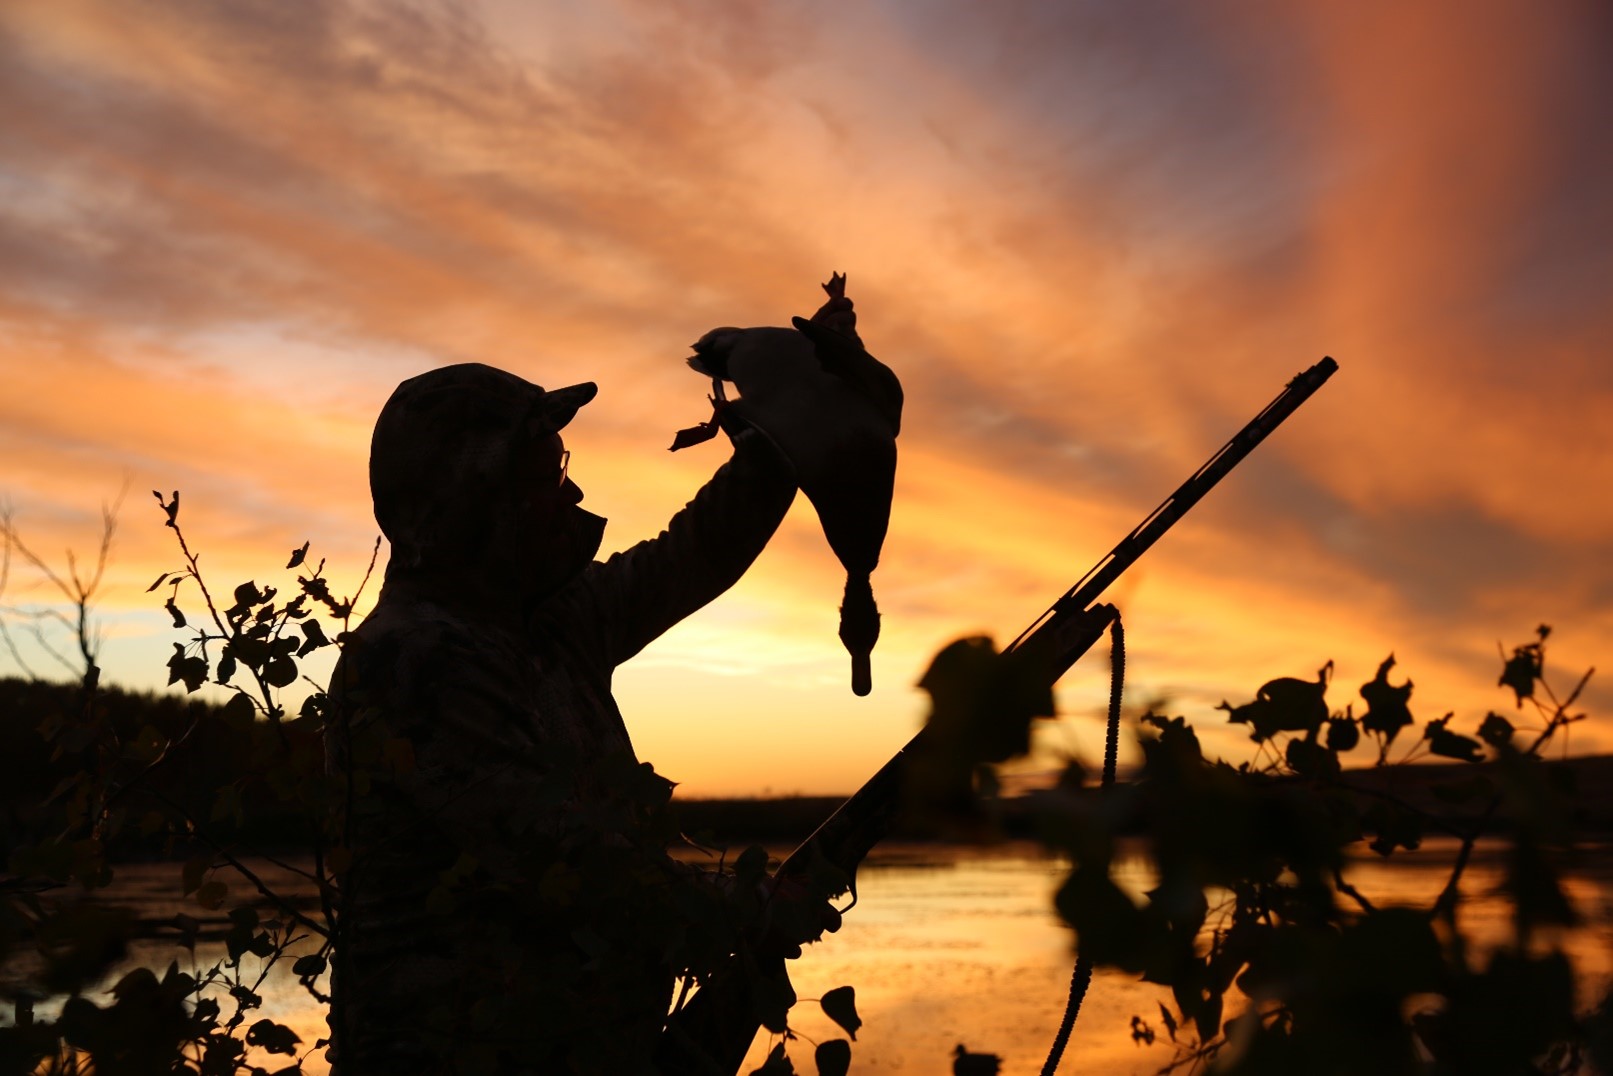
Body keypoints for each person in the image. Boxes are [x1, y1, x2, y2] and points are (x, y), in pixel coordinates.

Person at [326, 361, 809, 1074]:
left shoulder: (549, 619)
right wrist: (743, 909)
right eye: (546, 474)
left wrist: (784, 437)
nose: (572, 491)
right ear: (477, 495)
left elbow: (692, 555)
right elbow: (563, 863)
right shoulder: (414, 659)